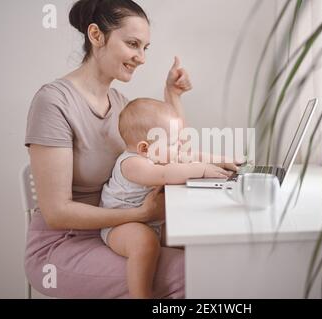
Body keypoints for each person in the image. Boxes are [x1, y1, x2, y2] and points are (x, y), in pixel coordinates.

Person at [24, 0, 199, 298]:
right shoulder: (54, 103)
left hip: (120, 233)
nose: (141, 58)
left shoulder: (119, 104)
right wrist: (141, 214)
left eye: (145, 48)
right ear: (96, 35)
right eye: (133, 43)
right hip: (64, 245)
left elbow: (169, 149)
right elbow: (56, 213)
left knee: (210, 255)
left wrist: (172, 95)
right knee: (192, 275)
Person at [99, 98, 233, 298]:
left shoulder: (158, 155)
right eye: (173, 143)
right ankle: (141, 295)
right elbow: (165, 175)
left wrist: (222, 160)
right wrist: (202, 170)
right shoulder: (132, 163)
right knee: (145, 243)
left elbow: (189, 155)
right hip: (120, 224)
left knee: (189, 235)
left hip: (151, 221)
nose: (179, 147)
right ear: (145, 148)